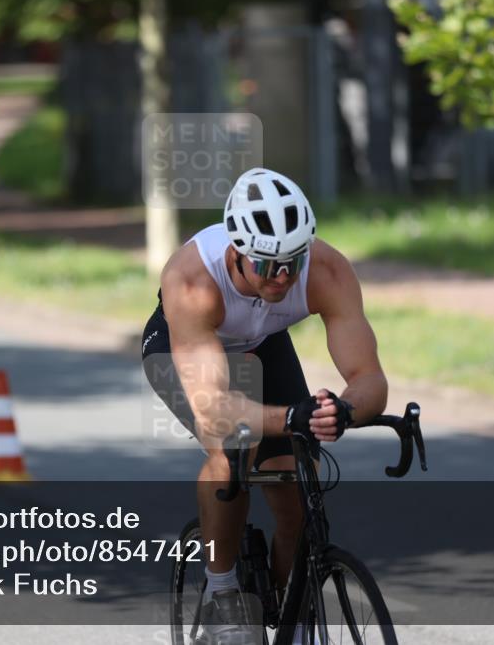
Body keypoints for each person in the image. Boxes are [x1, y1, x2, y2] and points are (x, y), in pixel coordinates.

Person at [142, 168, 388, 644]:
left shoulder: (326, 271)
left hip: (262, 342)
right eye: (268, 265)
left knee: (296, 482)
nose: (282, 277)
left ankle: (289, 606)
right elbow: (214, 407)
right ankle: (223, 592)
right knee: (229, 453)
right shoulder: (193, 279)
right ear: (236, 250)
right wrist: (289, 416)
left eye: (293, 263)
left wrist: (343, 409)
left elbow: (369, 379)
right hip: (186, 346)